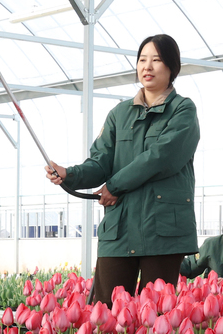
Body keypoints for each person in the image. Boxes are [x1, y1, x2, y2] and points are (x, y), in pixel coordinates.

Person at [46, 34, 200, 307]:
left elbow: (160, 157)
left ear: (172, 67)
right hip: (120, 230)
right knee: (106, 313)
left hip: (161, 231)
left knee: (156, 317)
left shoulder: (182, 110)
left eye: (156, 60)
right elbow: (100, 162)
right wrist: (69, 174)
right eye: (142, 60)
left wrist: (114, 186)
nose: (147, 67)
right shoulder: (120, 113)